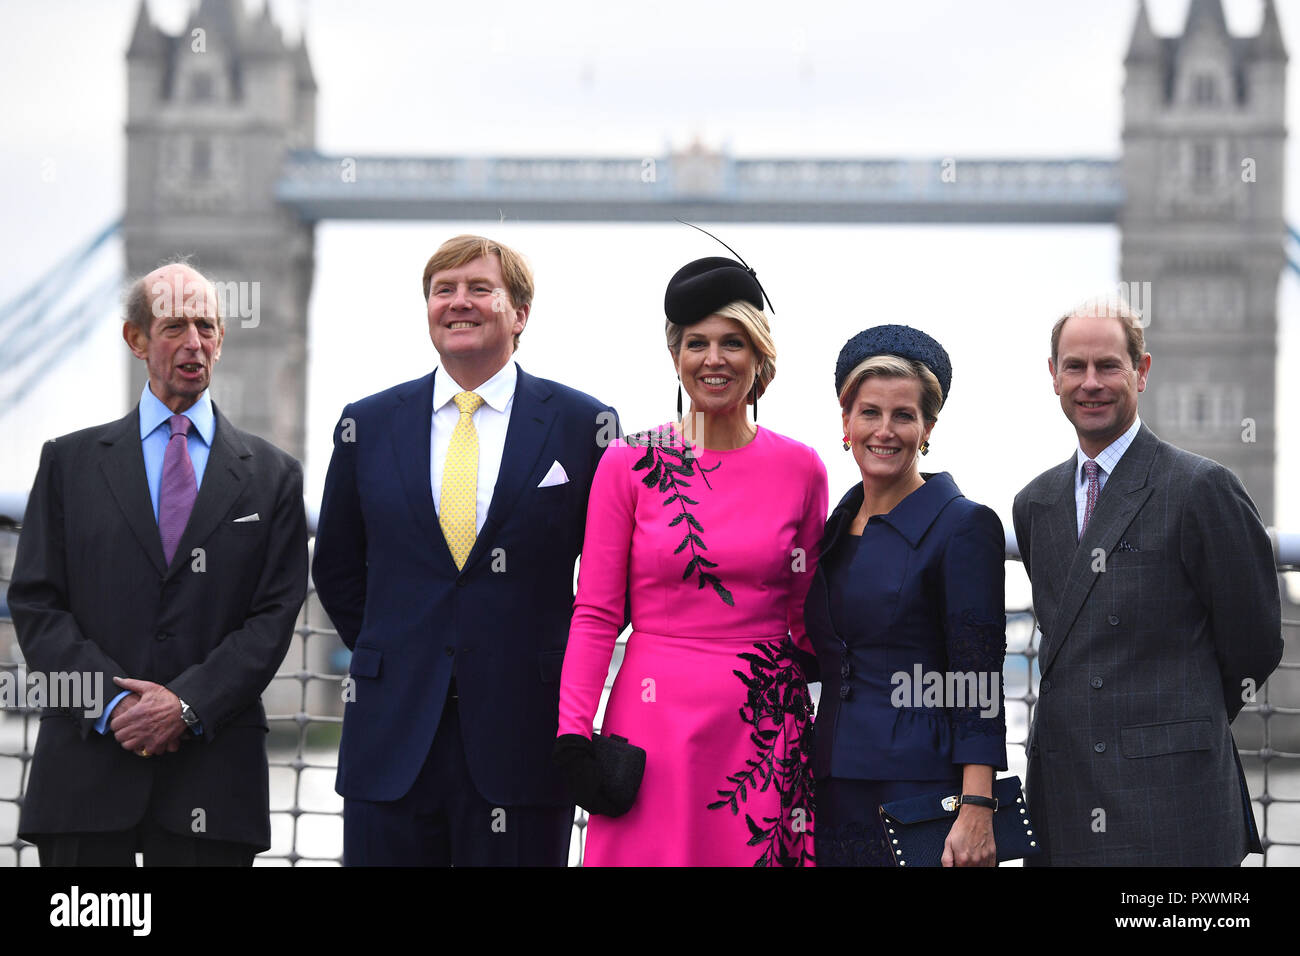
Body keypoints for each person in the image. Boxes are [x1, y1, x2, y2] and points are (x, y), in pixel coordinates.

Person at [312, 234, 618, 866]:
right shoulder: (364, 425)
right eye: (442, 290)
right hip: (389, 737)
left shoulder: (583, 426)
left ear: (520, 314)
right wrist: (397, 647)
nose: (458, 303)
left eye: (480, 288)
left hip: (526, 739)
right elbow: (337, 565)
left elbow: (612, 575)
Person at [9, 261, 308, 865]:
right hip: (85, 783)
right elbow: (37, 603)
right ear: (136, 339)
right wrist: (113, 706)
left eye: (206, 326)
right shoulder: (68, 463)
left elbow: (274, 616)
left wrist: (185, 705)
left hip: (214, 784)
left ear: (221, 340)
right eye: (174, 327)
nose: (193, 343)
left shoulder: (274, 477)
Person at [554, 256, 828, 866]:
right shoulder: (627, 464)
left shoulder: (804, 468)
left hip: (764, 726)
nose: (714, 359)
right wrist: (573, 731)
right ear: (675, 356)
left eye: (733, 342)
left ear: (760, 357)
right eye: (696, 343)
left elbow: (809, 614)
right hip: (652, 721)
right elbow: (596, 612)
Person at [1012, 300, 1283, 866]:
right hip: (1064, 792)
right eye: (1075, 367)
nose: (1091, 383)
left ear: (1142, 371)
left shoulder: (1201, 488)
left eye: (1108, 366)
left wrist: (1178, 722)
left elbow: (1255, 642)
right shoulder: (1034, 504)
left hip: (1172, 798)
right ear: (1053, 376)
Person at [804, 325, 1007, 867]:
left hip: (920, 791)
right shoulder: (833, 529)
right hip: (830, 785)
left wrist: (977, 806)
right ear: (845, 422)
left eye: (904, 415)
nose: (884, 431)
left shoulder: (963, 525)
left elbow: (977, 678)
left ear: (928, 428)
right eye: (869, 412)